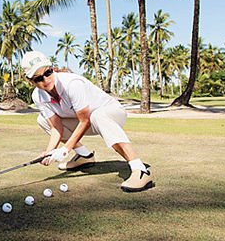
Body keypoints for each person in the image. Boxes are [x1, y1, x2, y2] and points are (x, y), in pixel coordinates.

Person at [22, 51, 153, 192]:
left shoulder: (71, 83)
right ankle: (85, 156)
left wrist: (65, 150)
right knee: (42, 120)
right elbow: (56, 128)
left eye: (48, 72)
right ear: (31, 81)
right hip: (88, 120)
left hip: (112, 113)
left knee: (98, 115)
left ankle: (140, 170)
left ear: (52, 69)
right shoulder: (38, 96)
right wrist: (49, 152)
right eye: (38, 78)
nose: (46, 79)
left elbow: (85, 121)